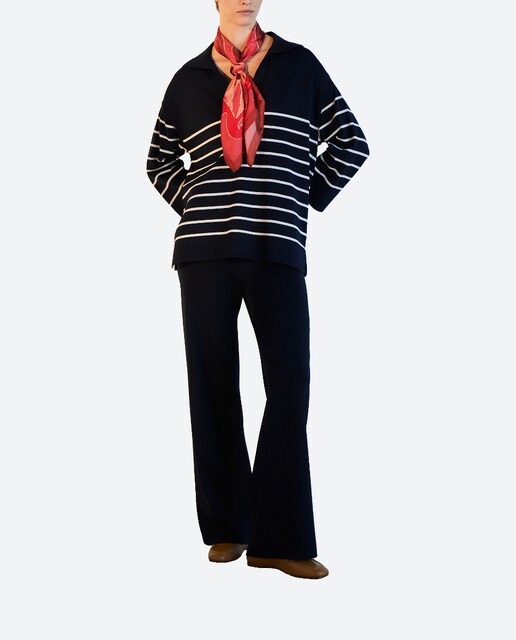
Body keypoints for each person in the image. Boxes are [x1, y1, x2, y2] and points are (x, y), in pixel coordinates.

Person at [146, 0, 370, 579]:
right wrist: (200, 207)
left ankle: (281, 538)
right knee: (213, 386)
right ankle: (228, 528)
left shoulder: (300, 65)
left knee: (289, 386)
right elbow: (158, 161)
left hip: (276, 247)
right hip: (204, 255)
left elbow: (352, 142)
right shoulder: (188, 79)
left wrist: (299, 197)